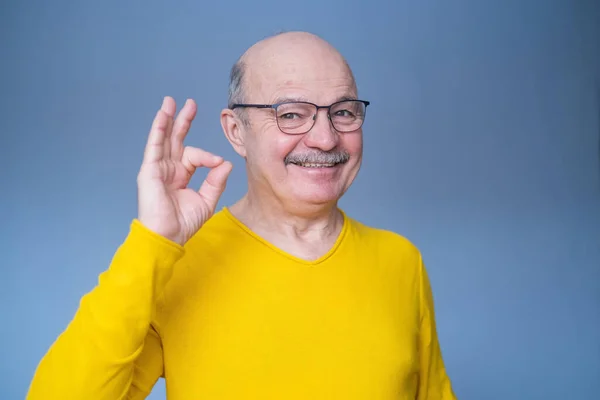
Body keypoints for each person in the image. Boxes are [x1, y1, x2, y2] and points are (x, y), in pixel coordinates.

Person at [27, 31, 457, 399]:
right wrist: (152, 241)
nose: (325, 138)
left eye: (343, 112)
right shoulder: (176, 264)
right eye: (291, 114)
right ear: (236, 131)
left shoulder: (402, 262)